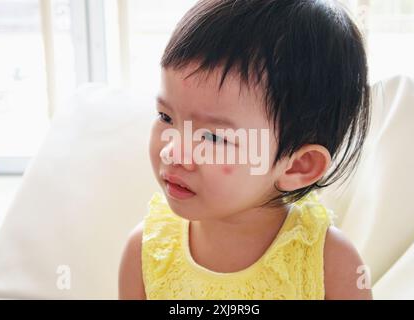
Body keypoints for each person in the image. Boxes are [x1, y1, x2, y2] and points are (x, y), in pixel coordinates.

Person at [119, 0, 372, 300]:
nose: (172, 151)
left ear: (297, 166)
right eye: (166, 117)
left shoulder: (331, 266)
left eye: (213, 138)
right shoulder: (146, 252)